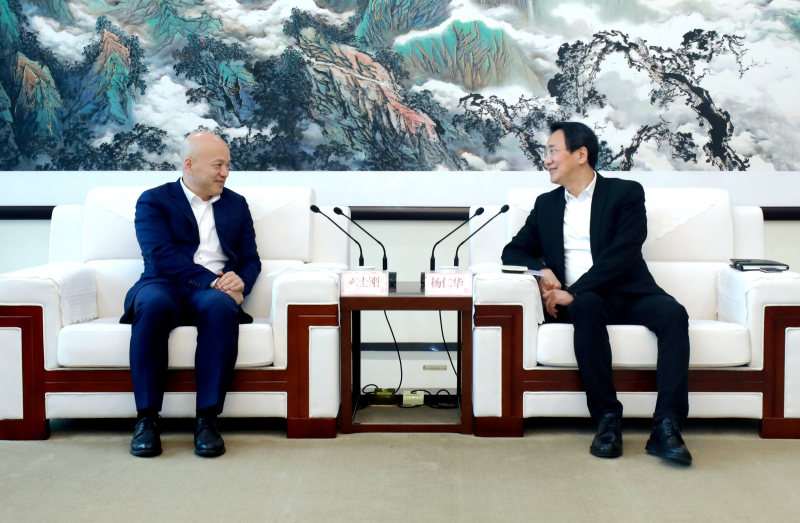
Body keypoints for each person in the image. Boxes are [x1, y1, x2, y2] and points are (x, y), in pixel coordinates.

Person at [502, 122, 692, 465]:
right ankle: (607, 419)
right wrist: (542, 271)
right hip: (589, 302)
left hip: (631, 291)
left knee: (673, 314)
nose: (546, 159)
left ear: (581, 155)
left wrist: (574, 291)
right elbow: (512, 251)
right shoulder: (546, 205)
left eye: (552, 151)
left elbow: (624, 252)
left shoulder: (625, 193)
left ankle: (667, 426)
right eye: (546, 152)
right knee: (587, 307)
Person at [120, 131, 261, 458]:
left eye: (228, 165)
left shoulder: (236, 204)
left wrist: (239, 282)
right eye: (218, 165)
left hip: (212, 292)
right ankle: (147, 419)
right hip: (163, 283)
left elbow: (250, 259)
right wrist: (212, 281)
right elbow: (160, 256)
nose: (225, 173)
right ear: (189, 165)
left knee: (221, 307)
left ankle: (207, 420)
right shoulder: (154, 200)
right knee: (152, 304)